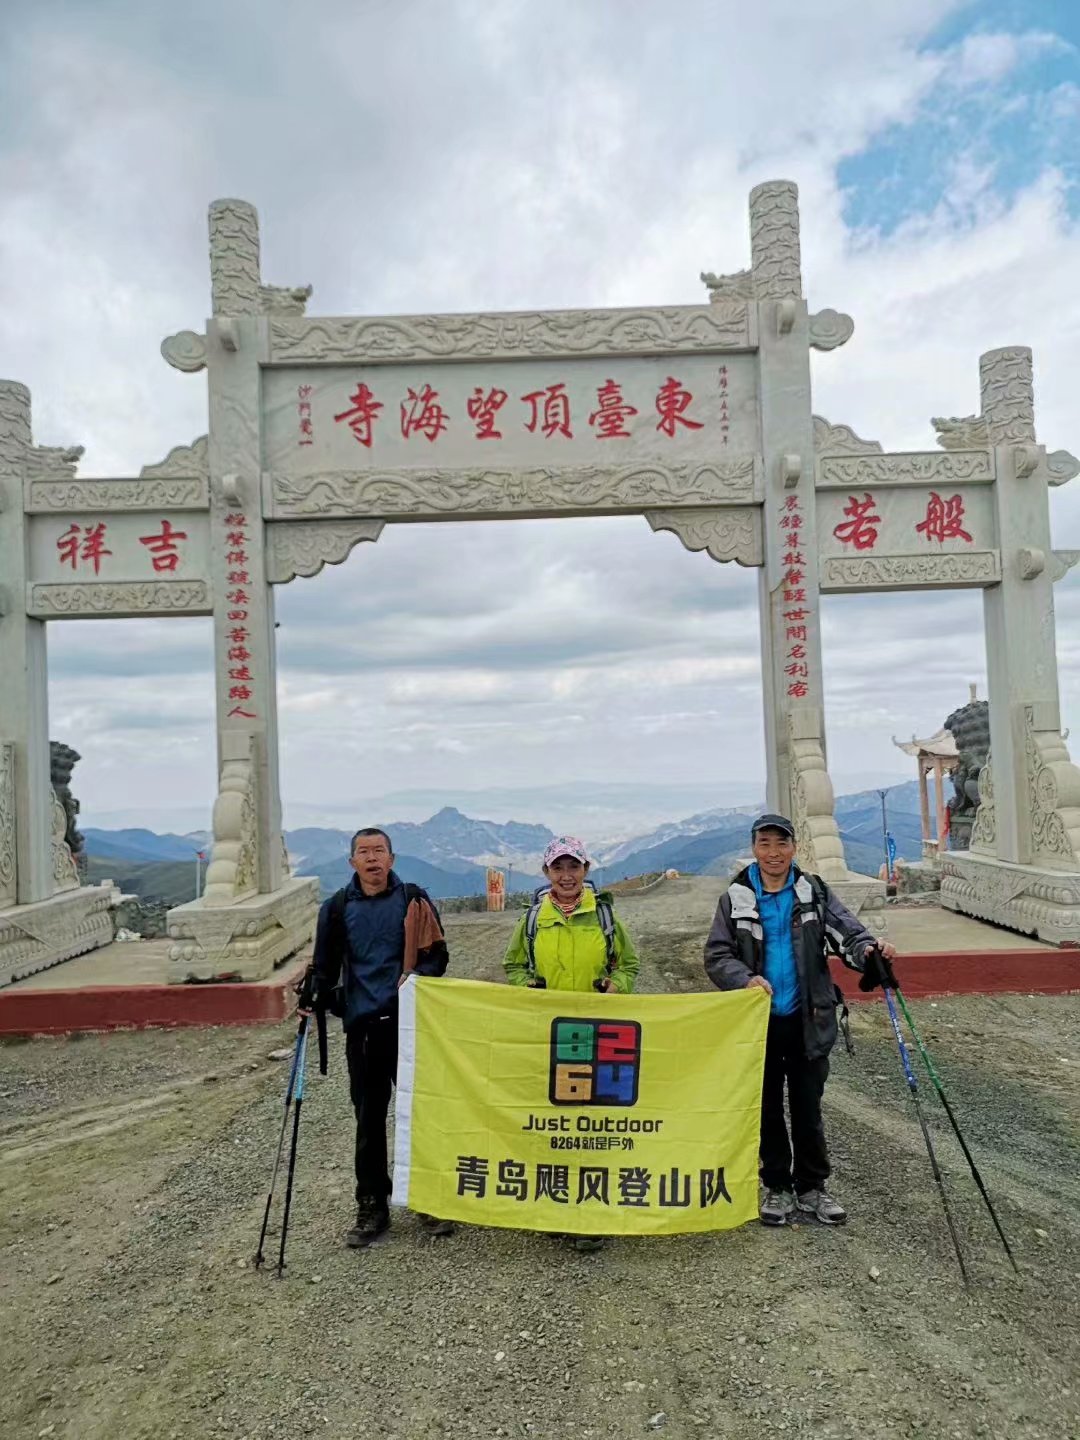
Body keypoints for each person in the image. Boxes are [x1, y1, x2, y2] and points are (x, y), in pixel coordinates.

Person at [703, 813, 899, 1227]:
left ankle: (812, 1187)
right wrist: (745, 978)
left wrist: (868, 952)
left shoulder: (813, 892)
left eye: (781, 844)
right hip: (757, 1023)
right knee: (768, 1108)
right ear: (754, 848)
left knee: (808, 1107)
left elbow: (848, 932)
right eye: (765, 844)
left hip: (809, 1017)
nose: (773, 853)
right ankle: (777, 1186)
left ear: (794, 848)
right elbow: (718, 956)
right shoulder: (735, 898)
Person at [307, 826, 454, 1249]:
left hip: (411, 1026)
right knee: (369, 1121)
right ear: (351, 861)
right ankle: (372, 1204)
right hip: (365, 1029)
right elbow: (324, 966)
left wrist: (414, 980)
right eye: (364, 852)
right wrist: (317, 997)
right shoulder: (336, 909)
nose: (372, 859)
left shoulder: (413, 900)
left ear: (392, 858)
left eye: (379, 851)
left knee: (420, 1114)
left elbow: (438, 957)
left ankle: (428, 1199)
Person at [503, 836, 640, 1252]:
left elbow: (629, 965)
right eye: (558, 868)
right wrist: (528, 986)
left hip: (597, 1034)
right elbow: (513, 965)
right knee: (552, 1119)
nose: (566, 875)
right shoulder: (531, 919)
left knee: (593, 1123)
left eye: (574, 867)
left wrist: (616, 986)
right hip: (548, 1034)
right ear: (546, 873)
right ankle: (555, 1205)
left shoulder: (604, 917)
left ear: (586, 870)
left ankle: (590, 1212)